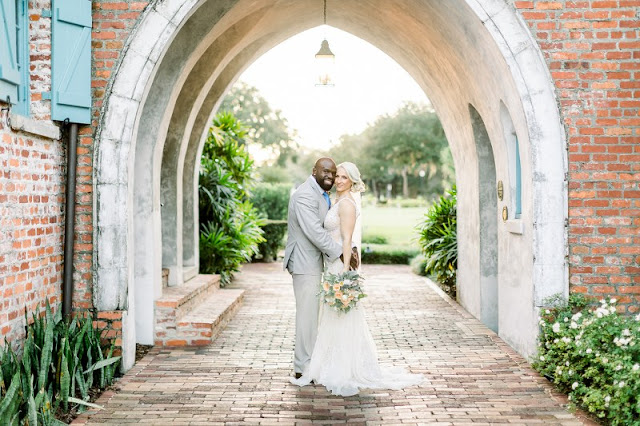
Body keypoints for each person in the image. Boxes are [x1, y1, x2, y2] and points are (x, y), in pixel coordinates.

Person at [290, 161, 423, 396]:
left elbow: (347, 238)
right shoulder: (318, 197)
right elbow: (315, 231)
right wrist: (341, 256)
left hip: (337, 265)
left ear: (352, 181)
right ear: (314, 172)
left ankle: (337, 366)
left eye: (342, 176)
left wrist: (344, 266)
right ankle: (313, 365)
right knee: (320, 316)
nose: (336, 179)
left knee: (336, 315)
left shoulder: (346, 203)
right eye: (334, 175)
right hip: (321, 261)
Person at [283, 157, 343, 379]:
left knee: (312, 315)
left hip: (314, 262)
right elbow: (314, 232)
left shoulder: (320, 193)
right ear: (314, 170)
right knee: (307, 317)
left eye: (333, 173)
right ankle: (303, 368)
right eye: (325, 171)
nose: (330, 176)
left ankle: (311, 362)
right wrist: (341, 251)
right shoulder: (305, 195)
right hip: (304, 262)